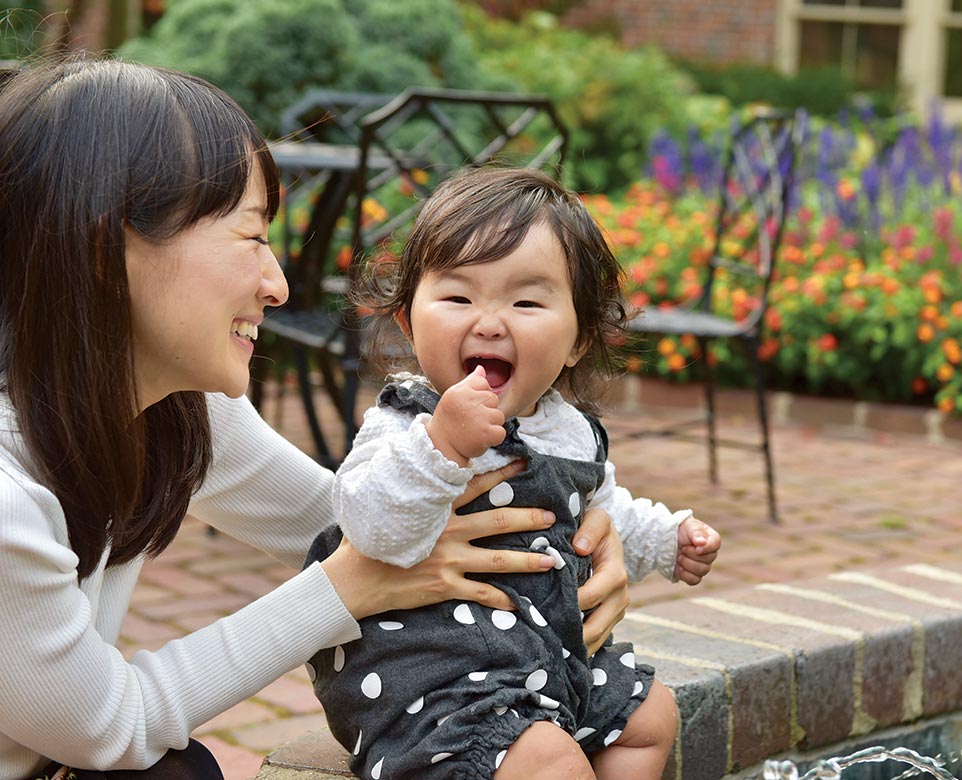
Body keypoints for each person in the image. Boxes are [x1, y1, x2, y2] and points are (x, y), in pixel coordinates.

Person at [0, 57, 633, 780]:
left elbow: (343, 522)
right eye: (250, 237)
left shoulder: (176, 411)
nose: (278, 284)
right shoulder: (6, 504)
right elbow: (111, 727)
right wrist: (348, 585)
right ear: (107, 250)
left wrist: (563, 537)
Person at [305, 166, 722, 780]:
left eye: (526, 301)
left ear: (579, 338)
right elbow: (369, 526)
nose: (489, 321)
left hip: (546, 659)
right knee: (547, 762)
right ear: (406, 321)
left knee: (651, 719)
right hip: (437, 678)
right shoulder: (406, 428)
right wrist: (442, 448)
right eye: (458, 297)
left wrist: (667, 539)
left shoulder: (570, 431)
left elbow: (602, 512)